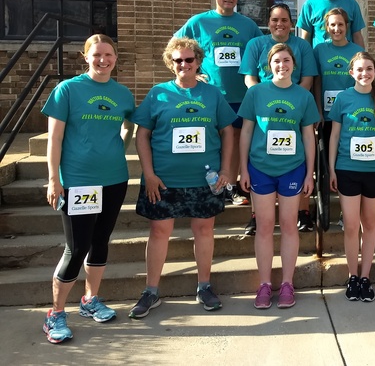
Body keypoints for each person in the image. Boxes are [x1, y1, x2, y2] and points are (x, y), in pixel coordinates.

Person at [129, 37, 236, 318]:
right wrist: (149, 174)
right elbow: (142, 135)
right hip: (164, 181)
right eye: (178, 60)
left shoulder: (212, 94)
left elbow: (227, 131)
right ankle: (151, 291)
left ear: (198, 61)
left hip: (204, 180)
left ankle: (204, 286)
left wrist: (226, 170)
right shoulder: (157, 94)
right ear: (170, 63)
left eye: (189, 59)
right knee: (159, 232)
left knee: (204, 231)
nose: (184, 64)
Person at [41, 34, 135, 344]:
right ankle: (54, 313)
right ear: (86, 57)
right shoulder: (67, 89)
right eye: (96, 54)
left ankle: (89, 300)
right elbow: (54, 139)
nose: (103, 59)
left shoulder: (122, 94)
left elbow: (128, 125)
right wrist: (54, 179)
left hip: (114, 179)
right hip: (80, 181)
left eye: (108, 54)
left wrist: (119, 146)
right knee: (76, 247)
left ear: (115, 58)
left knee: (100, 242)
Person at [238, 43, 320, 309]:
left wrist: (310, 173)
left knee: (288, 226)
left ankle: (287, 283)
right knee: (263, 227)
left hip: (292, 169)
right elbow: (247, 132)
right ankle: (264, 284)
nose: (282, 66)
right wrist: (243, 167)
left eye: (286, 61)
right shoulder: (256, 92)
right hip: (260, 167)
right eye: (277, 61)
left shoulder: (303, 96)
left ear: (293, 66)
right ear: (268, 66)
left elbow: (308, 135)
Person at [175, 0, 262, 207]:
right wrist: (192, 73)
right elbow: (174, 48)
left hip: (240, 96)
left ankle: (231, 187)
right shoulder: (198, 22)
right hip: (209, 95)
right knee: (210, 141)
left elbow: (263, 55)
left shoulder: (248, 25)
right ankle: (209, 184)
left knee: (233, 140)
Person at [239, 3, 318, 234]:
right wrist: (262, 98)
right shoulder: (256, 44)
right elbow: (249, 79)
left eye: (284, 19)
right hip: (262, 111)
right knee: (258, 162)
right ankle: (256, 216)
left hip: (294, 109)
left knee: (296, 160)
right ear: (268, 22)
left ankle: (302, 212)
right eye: (274, 19)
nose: (279, 24)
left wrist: (295, 99)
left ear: (291, 23)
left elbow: (307, 79)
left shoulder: (302, 46)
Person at [328, 52, 375, 302]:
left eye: (369, 68)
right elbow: (334, 136)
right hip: (347, 169)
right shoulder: (343, 99)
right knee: (350, 225)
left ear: (374, 71)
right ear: (351, 73)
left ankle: (365, 277)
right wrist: (332, 169)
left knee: (369, 225)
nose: (365, 73)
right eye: (359, 69)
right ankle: (352, 276)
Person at [313, 8, 364, 149]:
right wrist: (318, 111)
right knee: (326, 156)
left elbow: (362, 82)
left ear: (347, 26)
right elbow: (317, 81)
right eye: (332, 25)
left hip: (351, 114)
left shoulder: (357, 51)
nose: (337, 29)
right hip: (326, 116)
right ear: (327, 27)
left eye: (340, 24)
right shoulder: (319, 50)